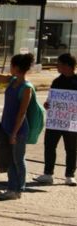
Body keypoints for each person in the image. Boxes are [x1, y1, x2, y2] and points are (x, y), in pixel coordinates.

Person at [0, 53, 35, 200]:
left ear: (16, 67)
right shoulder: (12, 80)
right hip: (7, 126)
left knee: (18, 160)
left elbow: (22, 112)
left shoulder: (26, 87)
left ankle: (18, 189)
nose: (9, 68)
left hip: (18, 130)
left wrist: (14, 133)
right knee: (10, 160)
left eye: (11, 65)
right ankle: (11, 188)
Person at [33, 53, 77, 186]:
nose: (57, 66)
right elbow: (51, 98)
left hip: (71, 122)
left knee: (71, 149)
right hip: (55, 121)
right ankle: (48, 174)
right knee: (50, 146)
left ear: (67, 66)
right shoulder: (57, 81)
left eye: (59, 64)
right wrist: (48, 104)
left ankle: (70, 176)